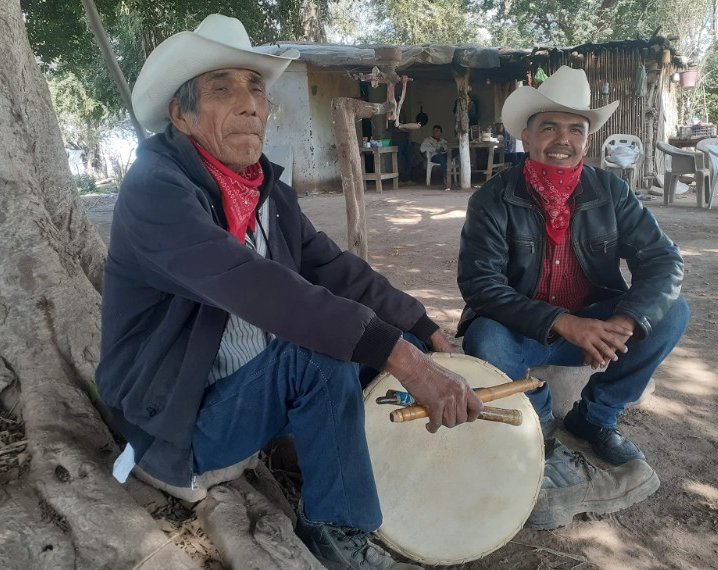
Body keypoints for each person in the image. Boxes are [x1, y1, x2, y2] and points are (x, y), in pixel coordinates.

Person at [96, 14, 485, 570]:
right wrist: (402, 357)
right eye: (222, 87)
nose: (250, 102)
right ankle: (337, 529)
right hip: (175, 426)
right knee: (324, 352)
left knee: (368, 345)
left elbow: (332, 268)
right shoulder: (155, 189)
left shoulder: (263, 192)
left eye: (256, 86)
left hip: (245, 392)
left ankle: (350, 475)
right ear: (180, 115)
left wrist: (421, 329)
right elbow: (254, 284)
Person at [458, 66, 689, 529]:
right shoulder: (493, 197)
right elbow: (480, 285)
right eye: (550, 127)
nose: (563, 139)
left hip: (596, 325)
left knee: (670, 313)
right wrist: (563, 322)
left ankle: (595, 419)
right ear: (527, 137)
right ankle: (543, 430)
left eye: (576, 130)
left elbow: (664, 262)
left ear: (587, 140)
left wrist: (624, 322)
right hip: (524, 328)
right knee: (485, 339)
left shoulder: (611, 191)